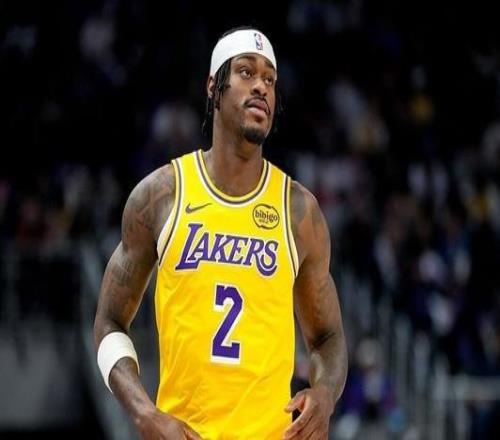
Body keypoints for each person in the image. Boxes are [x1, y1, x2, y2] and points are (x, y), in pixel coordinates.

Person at [94, 26, 348, 439]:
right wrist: (144, 414)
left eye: (270, 79)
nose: (261, 87)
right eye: (246, 72)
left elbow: (329, 337)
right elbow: (109, 323)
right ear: (213, 86)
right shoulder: (160, 196)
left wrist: (325, 393)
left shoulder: (299, 211)